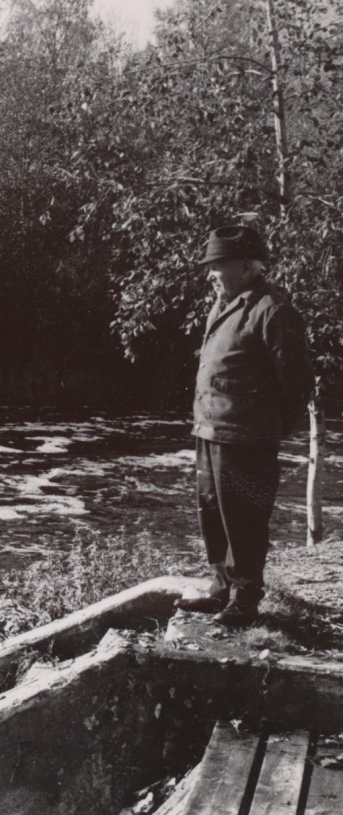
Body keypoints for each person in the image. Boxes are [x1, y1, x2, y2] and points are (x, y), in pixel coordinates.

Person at [175, 224, 313, 627]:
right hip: (209, 430)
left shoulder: (273, 309)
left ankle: (245, 599)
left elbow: (296, 381)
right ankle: (220, 589)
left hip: (246, 438)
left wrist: (269, 429)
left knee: (245, 518)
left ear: (248, 267)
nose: (211, 274)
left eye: (218, 266)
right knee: (212, 511)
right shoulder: (223, 304)